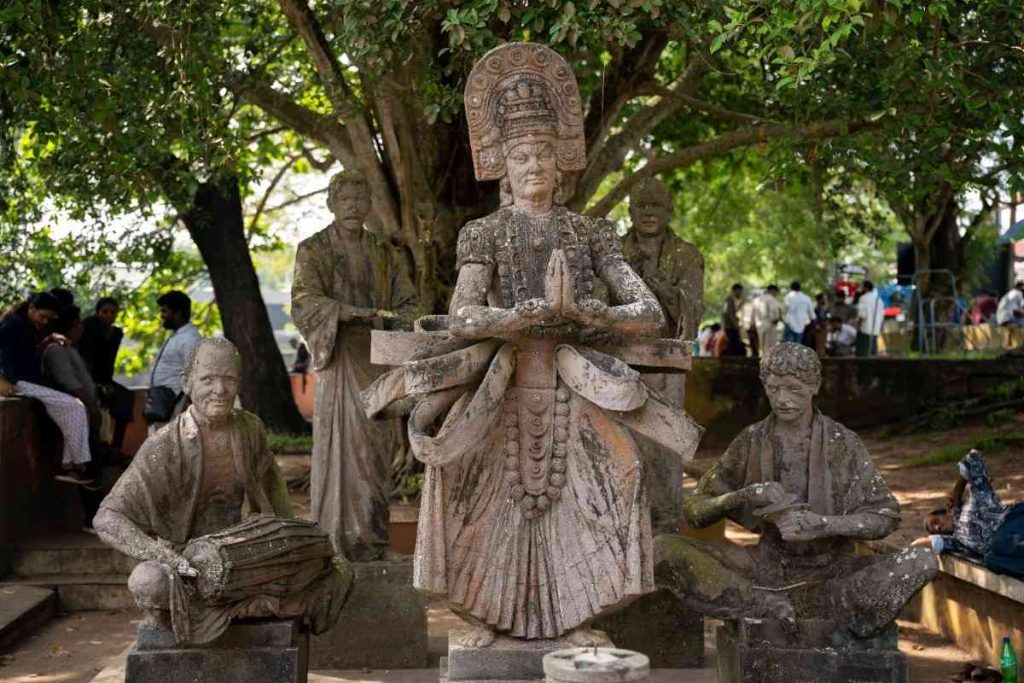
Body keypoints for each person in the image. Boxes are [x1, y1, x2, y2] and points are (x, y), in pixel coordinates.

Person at [361, 42, 700, 647]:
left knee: (616, 481)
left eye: (545, 152)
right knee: (467, 492)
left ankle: (578, 619)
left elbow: (647, 311)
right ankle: (486, 619)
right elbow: (464, 315)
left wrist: (585, 309)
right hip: (500, 384)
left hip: (575, 385)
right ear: (504, 166)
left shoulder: (588, 231)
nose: (535, 164)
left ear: (562, 163)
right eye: (521, 154)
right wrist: (517, 315)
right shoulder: (484, 233)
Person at [654, 343, 937, 641]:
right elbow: (695, 509)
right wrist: (742, 496)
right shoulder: (752, 440)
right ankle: (761, 605)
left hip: (834, 574)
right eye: (774, 389)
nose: (783, 399)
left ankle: (831, 608)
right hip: (766, 571)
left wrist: (825, 525)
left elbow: (886, 516)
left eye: (793, 389)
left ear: (814, 386)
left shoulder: (842, 442)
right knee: (664, 549)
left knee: (922, 561)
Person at [93, 338, 349, 645]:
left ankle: (250, 602)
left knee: (338, 568)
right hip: (189, 568)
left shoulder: (250, 429)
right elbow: (107, 518)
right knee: (147, 581)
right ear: (187, 383)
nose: (220, 389)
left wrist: (291, 545)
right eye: (208, 379)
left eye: (229, 379)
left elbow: (275, 496)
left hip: (250, 560)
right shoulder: (164, 446)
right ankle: (251, 606)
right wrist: (165, 556)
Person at [291, 169, 419, 561]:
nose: (352, 207)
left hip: (377, 360)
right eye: (344, 200)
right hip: (338, 359)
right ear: (331, 204)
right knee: (339, 452)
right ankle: (335, 541)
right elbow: (303, 301)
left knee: (375, 455)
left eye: (359, 200)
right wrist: (345, 313)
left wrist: (392, 319)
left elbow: (410, 305)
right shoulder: (313, 249)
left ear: (369, 205)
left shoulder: (385, 254)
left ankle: (374, 540)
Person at [0, 292, 93, 484]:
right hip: (18, 382)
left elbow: (27, 355)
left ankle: (71, 466)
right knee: (75, 407)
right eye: (42, 317)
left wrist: (48, 339)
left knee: (70, 408)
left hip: (29, 379)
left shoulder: (26, 326)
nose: (44, 321)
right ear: (31, 308)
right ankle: (73, 466)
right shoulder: (13, 325)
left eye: (49, 319)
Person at [623, 177, 705, 340]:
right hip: (617, 347)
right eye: (641, 206)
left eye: (656, 205)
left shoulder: (688, 255)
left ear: (670, 211)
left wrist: (669, 294)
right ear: (631, 213)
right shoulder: (612, 251)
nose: (648, 212)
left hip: (667, 349)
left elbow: (695, 307)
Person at [914, 450, 1020, 558]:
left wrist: (958, 489)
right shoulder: (957, 542)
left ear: (948, 511)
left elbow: (974, 458)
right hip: (1008, 549)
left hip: (1013, 523)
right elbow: (926, 543)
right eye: (934, 531)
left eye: (935, 521)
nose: (937, 528)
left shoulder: (976, 500)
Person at [78, 297, 134, 454]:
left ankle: (115, 447)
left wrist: (106, 383)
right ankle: (96, 449)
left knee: (126, 397)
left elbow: (110, 361)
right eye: (105, 311)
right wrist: (93, 384)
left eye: (113, 312)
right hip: (87, 379)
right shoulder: (89, 326)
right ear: (97, 312)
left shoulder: (116, 333)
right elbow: (87, 357)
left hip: (105, 379)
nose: (109, 315)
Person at [147, 291, 202, 432]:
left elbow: (196, 374)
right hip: (164, 405)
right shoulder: (177, 336)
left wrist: (188, 408)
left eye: (165, 311)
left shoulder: (190, 339)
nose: (162, 316)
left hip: (177, 407)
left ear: (177, 312)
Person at [750, 285, 784, 355]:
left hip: (759, 325)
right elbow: (774, 314)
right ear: (773, 291)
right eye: (776, 292)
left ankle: (761, 360)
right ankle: (768, 363)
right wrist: (776, 320)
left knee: (761, 345)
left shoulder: (756, 300)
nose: (776, 294)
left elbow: (752, 315)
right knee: (770, 346)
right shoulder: (772, 299)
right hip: (770, 325)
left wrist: (752, 324)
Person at [855, 280, 885, 357]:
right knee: (873, 350)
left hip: (865, 328)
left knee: (863, 352)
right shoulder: (879, 300)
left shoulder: (863, 298)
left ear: (865, 288)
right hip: (876, 329)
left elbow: (862, 315)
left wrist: (858, 326)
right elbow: (882, 315)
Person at [722, 283, 746, 356]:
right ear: (735, 290)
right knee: (732, 344)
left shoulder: (736, 300)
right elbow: (730, 314)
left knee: (734, 344)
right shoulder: (729, 300)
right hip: (730, 326)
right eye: (739, 291)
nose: (740, 293)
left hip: (732, 326)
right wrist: (736, 325)